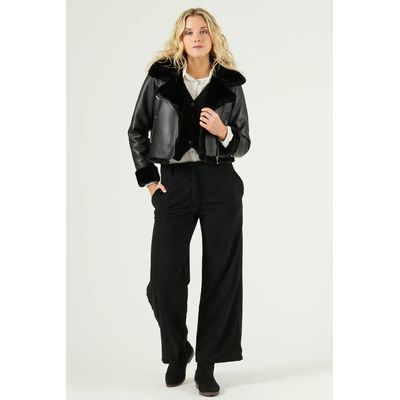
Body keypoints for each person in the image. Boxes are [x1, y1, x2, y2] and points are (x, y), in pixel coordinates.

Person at [127, 7, 250, 397]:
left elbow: (243, 143)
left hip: (220, 184)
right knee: (163, 282)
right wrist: (150, 182)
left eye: (202, 31)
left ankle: (207, 363)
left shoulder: (230, 83)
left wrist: (224, 131)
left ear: (213, 37)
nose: (196, 37)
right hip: (174, 185)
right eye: (188, 32)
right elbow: (136, 130)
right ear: (179, 38)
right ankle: (179, 350)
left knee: (221, 276)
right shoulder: (160, 78)